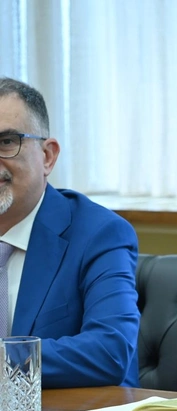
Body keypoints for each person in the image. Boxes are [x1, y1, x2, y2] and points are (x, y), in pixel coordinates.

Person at [0, 77, 140, 388]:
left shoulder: (100, 234)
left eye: (7, 142)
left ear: (47, 156)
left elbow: (110, 351)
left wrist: (4, 361)